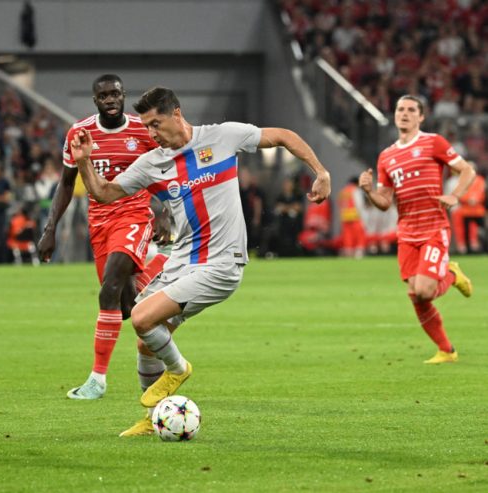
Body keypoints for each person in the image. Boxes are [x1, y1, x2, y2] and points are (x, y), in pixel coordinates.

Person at [69, 86, 331, 435]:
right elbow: (104, 193)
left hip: (222, 263)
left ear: (176, 114)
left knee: (142, 317)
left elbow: (283, 135)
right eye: (146, 127)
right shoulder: (153, 162)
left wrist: (320, 171)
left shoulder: (223, 137)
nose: (151, 134)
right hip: (182, 260)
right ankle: (152, 420)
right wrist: (84, 160)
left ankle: (177, 369)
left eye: (156, 124)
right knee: (146, 341)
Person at [37, 74, 170, 400]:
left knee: (108, 288)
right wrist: (50, 228)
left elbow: (167, 167)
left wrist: (165, 209)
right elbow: (67, 183)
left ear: (124, 96)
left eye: (115, 94)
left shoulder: (142, 130)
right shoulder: (80, 133)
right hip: (99, 223)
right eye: (103, 96)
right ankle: (161, 267)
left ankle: (97, 379)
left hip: (134, 216)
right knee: (125, 307)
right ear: (95, 100)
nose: (110, 99)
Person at [359, 95, 475, 364]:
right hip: (407, 234)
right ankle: (447, 350)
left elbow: (466, 170)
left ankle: (452, 274)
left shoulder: (433, 142)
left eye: (412, 110)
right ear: (395, 114)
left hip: (434, 228)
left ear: (421, 117)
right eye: (400, 109)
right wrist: (368, 191)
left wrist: (455, 196)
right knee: (417, 296)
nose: (405, 113)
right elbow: (385, 203)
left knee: (424, 290)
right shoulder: (387, 156)